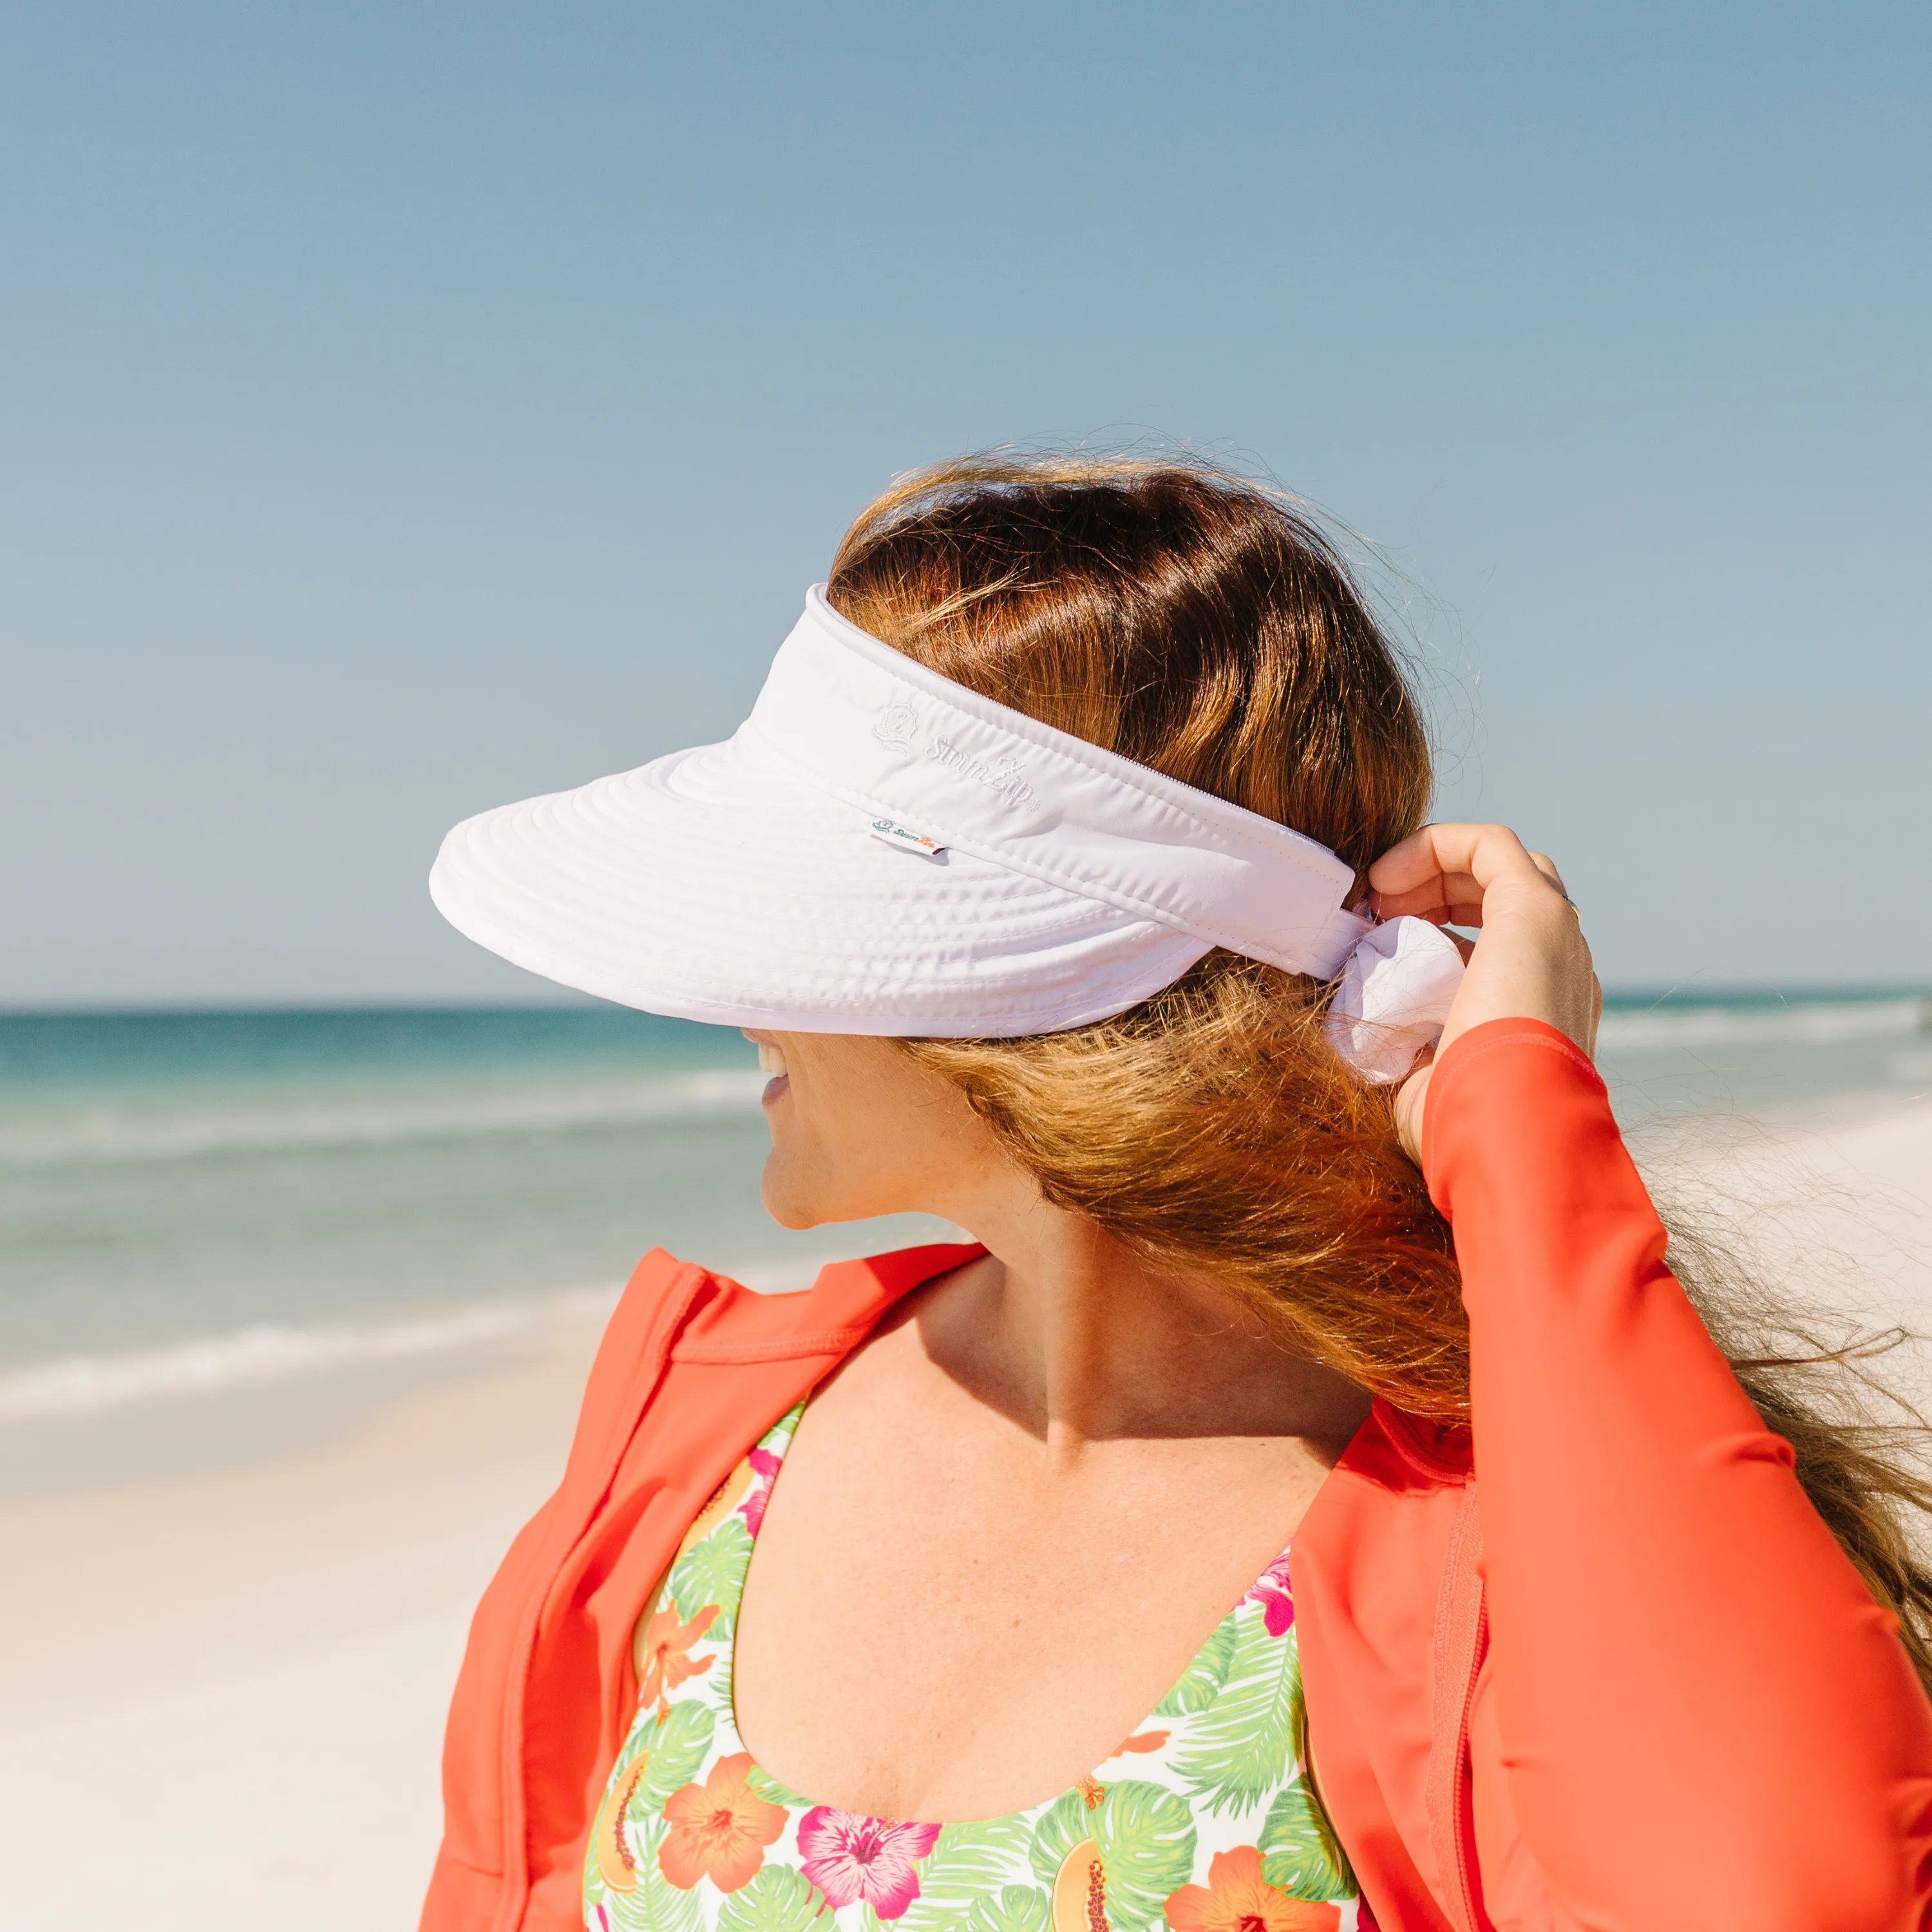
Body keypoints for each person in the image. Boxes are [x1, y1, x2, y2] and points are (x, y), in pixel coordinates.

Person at [421, 457, 1932, 1932]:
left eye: (792, 928)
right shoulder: (702, 1436)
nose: (732, 1001)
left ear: (1029, 1001)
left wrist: (1526, 1140)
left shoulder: (1496, 1517)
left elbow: (1787, 1892)